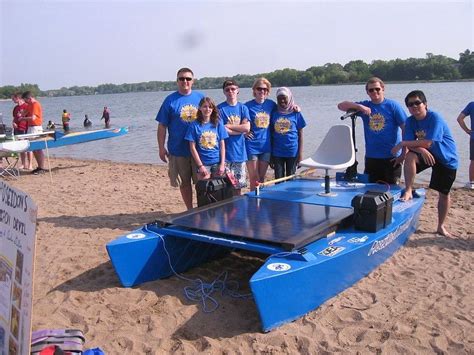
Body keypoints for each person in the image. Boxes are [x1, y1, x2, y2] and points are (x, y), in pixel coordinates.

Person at [391, 90, 458, 237]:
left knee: (443, 193)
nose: (414, 106)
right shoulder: (410, 121)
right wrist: (420, 149)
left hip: (446, 158)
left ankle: (441, 226)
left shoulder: (435, 118)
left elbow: (428, 142)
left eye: (417, 103)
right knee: (409, 158)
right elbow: (415, 144)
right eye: (410, 104)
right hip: (427, 153)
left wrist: (403, 143)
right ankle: (408, 190)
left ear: (425, 104)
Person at [337, 77, 407, 184]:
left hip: (392, 157)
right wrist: (359, 106)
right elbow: (341, 106)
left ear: (383, 88)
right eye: (371, 90)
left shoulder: (393, 106)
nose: (375, 92)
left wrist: (403, 153)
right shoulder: (365, 106)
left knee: (391, 189)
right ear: (367, 92)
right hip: (372, 157)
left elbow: (406, 129)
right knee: (370, 189)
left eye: (377, 89)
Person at [156, 67, 205, 210]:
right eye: (181, 78)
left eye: (188, 79)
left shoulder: (200, 98)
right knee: (184, 183)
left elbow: (211, 121)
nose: (185, 81)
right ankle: (190, 210)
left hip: (199, 150)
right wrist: (161, 147)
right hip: (177, 150)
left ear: (193, 81)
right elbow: (162, 126)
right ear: (177, 81)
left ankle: (201, 209)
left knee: (201, 182)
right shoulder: (170, 100)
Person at [218, 79, 251, 196]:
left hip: (240, 154)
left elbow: (247, 128)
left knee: (238, 186)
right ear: (224, 92)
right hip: (225, 155)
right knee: (225, 186)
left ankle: (237, 210)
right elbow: (222, 130)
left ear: (238, 91)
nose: (230, 91)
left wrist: (230, 127)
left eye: (233, 89)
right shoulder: (219, 109)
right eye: (227, 90)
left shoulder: (243, 108)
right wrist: (239, 129)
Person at [245, 78, 276, 191]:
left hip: (266, 146)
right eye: (259, 89)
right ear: (254, 90)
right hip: (251, 146)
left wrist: (295, 108)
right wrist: (244, 133)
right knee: (254, 178)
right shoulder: (247, 106)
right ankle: (253, 200)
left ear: (268, 91)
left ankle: (260, 200)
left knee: (262, 177)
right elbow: (239, 121)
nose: (262, 91)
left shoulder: (271, 104)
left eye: (265, 89)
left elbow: (284, 111)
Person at [185, 97, 228, 180]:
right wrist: (200, 166)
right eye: (204, 106)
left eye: (210, 107)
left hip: (217, 163)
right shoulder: (194, 125)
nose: (207, 109)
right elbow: (192, 148)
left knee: (219, 189)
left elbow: (222, 145)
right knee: (204, 189)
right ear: (200, 108)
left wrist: (222, 164)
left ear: (213, 109)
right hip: (203, 163)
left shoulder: (218, 123)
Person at [270, 87, 306, 179]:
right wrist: (271, 156)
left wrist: (300, 154)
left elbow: (301, 135)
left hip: (292, 152)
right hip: (277, 153)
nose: (282, 100)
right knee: (278, 179)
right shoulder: (274, 113)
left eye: (284, 98)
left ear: (289, 98)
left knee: (291, 178)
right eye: (279, 98)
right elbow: (270, 135)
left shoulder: (296, 113)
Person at [21, 91, 46, 175]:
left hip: (36, 127)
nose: (25, 102)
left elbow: (33, 118)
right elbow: (24, 112)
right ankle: (39, 167)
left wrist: (23, 119)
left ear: (29, 98)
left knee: (38, 148)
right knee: (33, 148)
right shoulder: (30, 105)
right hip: (30, 127)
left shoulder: (35, 104)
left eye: (26, 100)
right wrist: (22, 114)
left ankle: (42, 167)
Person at [11, 93, 33, 170]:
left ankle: (30, 164)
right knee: (21, 147)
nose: (12, 100)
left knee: (28, 147)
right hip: (17, 129)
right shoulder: (16, 108)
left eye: (13, 98)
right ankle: (23, 163)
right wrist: (13, 123)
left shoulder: (26, 106)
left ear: (18, 98)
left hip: (25, 128)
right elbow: (14, 117)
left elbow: (30, 117)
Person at [456, 101, 473, 189]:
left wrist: (467, 130)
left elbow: (459, 118)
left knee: (473, 160)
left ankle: (472, 183)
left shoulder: (472, 105)